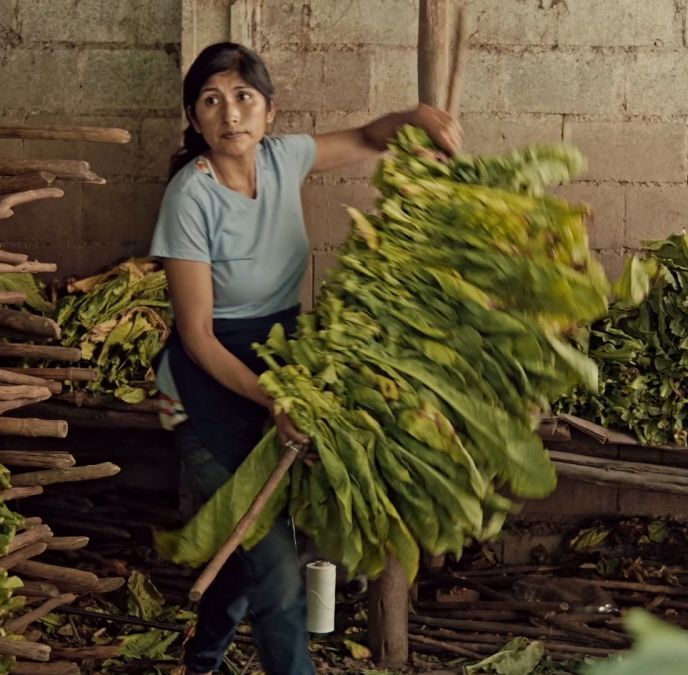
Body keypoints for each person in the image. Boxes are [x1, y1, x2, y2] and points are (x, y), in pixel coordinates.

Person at [149, 42, 461, 675]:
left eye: (244, 97)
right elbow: (198, 336)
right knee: (277, 571)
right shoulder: (190, 197)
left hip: (284, 366)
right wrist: (275, 399)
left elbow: (371, 137)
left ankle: (200, 661)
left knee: (251, 545)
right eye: (211, 101)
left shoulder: (284, 158)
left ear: (270, 110)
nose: (230, 114)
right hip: (207, 390)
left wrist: (415, 118)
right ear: (195, 118)